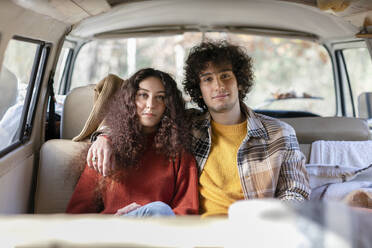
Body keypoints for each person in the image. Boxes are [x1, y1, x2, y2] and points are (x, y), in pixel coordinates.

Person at [88, 41, 311, 217]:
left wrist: (269, 222)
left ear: (239, 82)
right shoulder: (186, 125)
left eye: (225, 76)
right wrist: (104, 137)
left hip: (254, 233)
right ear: (199, 89)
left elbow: (295, 192)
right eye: (208, 79)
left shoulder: (279, 133)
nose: (218, 86)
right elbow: (136, 111)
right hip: (197, 237)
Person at [66, 68, 199, 216]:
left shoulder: (180, 154)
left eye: (160, 97)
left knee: (159, 210)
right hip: (113, 230)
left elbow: (187, 211)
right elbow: (77, 213)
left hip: (159, 231)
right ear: (130, 100)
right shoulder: (105, 149)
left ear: (168, 105)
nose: (150, 104)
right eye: (143, 95)